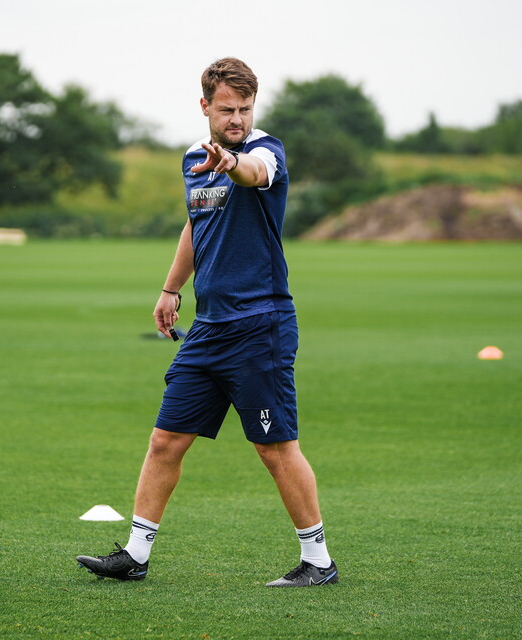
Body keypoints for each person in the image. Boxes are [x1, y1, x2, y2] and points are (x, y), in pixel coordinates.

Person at [76, 58, 337, 588]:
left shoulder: (267, 151)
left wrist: (232, 162)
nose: (237, 118)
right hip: (209, 329)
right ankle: (135, 554)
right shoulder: (194, 159)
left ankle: (318, 562)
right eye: (227, 110)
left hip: (259, 324)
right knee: (164, 441)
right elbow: (196, 225)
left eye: (244, 108)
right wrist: (171, 288)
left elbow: (255, 172)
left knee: (274, 446)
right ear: (205, 107)